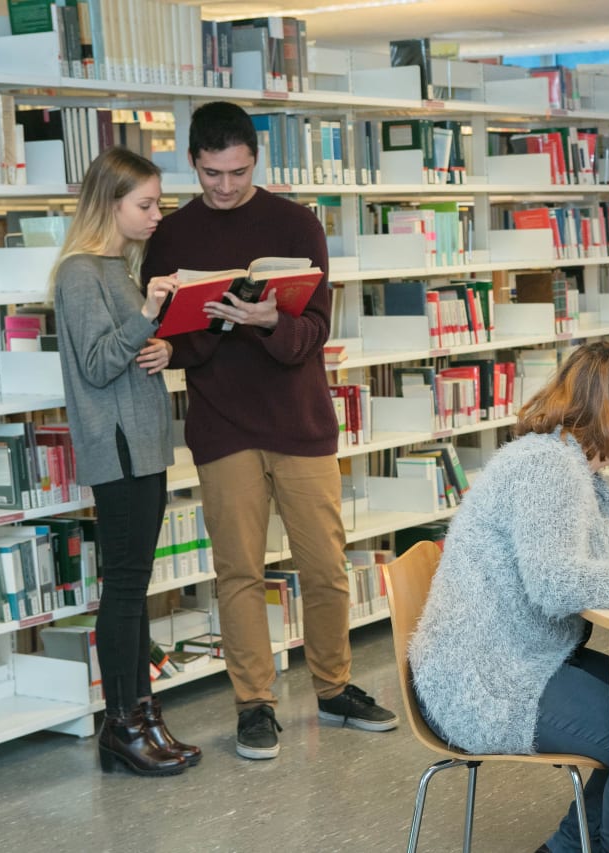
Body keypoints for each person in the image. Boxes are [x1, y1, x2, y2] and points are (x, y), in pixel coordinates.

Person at [142, 101, 396, 761]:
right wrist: (195, 332)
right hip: (221, 423)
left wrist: (265, 321)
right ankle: (254, 704)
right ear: (191, 162)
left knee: (324, 564)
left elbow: (313, 333)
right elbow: (172, 335)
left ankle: (336, 687)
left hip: (298, 418)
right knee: (239, 570)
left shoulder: (297, 223)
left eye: (237, 171)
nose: (224, 187)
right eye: (209, 173)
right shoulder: (170, 237)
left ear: (256, 159)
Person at [409, 341, 609, 853]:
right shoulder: (545, 468)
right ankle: (607, 846)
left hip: (532, 658)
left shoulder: (583, 469)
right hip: (486, 676)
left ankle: (569, 846)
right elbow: (558, 585)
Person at [50, 146, 199, 776]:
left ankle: (144, 715)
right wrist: (146, 314)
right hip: (116, 447)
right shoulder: (81, 271)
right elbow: (96, 364)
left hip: (142, 441)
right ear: (109, 204)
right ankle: (123, 726)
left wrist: (160, 339)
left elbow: (125, 352)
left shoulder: (118, 266)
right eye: (145, 204)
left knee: (137, 588)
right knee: (125, 587)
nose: (156, 215)